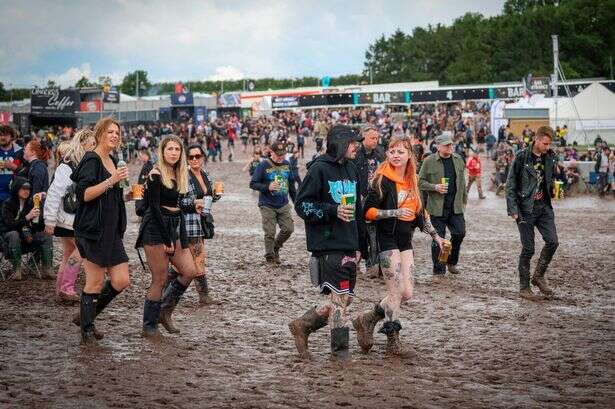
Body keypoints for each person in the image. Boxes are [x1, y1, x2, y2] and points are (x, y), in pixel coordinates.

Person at [354, 135, 443, 356]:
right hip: (387, 239)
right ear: (387, 154)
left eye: (400, 151)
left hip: (406, 240)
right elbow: (367, 212)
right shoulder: (381, 179)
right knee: (394, 293)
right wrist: (393, 212)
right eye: (392, 151)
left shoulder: (413, 179)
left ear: (409, 155)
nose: (395, 155)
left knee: (407, 292)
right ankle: (393, 341)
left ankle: (368, 318)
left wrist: (436, 236)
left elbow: (420, 212)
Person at [289, 124, 364, 360]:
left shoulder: (352, 168)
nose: (357, 147)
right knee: (340, 299)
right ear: (340, 144)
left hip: (350, 242)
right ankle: (340, 353)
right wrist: (332, 210)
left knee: (344, 298)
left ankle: (303, 325)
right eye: (353, 143)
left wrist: (362, 245)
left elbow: (358, 210)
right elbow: (302, 205)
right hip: (328, 244)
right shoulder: (318, 170)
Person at [71, 117, 131, 345]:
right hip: (92, 231)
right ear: (99, 134)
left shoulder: (114, 160)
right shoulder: (91, 160)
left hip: (111, 231)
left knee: (121, 280)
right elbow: (84, 194)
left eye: (117, 132)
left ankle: (87, 316)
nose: (115, 136)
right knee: (95, 282)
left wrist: (128, 195)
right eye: (110, 132)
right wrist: (112, 180)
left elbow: (111, 194)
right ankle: (86, 330)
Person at [135, 135, 199, 338]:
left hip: (175, 224)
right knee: (159, 279)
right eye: (169, 149)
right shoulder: (155, 174)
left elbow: (177, 204)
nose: (173, 152)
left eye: (177, 149)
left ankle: (164, 311)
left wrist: (193, 206)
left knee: (190, 271)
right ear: (162, 152)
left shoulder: (179, 173)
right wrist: (167, 240)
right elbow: (153, 208)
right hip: (156, 228)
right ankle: (149, 325)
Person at [506, 126, 559, 300]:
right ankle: (524, 287)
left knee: (553, 242)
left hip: (543, 206)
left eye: (549, 144)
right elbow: (511, 184)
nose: (547, 147)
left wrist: (554, 188)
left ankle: (538, 276)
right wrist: (513, 210)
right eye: (545, 143)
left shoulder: (550, 156)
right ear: (536, 139)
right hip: (525, 208)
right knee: (528, 248)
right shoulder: (522, 156)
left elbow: (549, 178)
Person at [44, 129, 96, 303]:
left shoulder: (80, 163)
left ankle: (61, 289)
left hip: (72, 218)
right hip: (69, 219)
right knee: (81, 250)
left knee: (67, 254)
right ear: (81, 143)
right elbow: (54, 193)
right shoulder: (68, 165)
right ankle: (67, 288)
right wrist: (49, 220)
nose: (93, 147)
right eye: (91, 143)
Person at [168, 144, 222, 309]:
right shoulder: (184, 176)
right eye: (190, 157)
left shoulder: (205, 174)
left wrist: (216, 196)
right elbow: (178, 202)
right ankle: (203, 296)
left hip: (201, 223)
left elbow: (209, 197)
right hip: (188, 223)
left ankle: (163, 289)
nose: (194, 160)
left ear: (203, 157)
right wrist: (194, 203)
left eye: (197, 156)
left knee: (185, 262)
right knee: (197, 258)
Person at [418, 132, 467, 275]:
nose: (450, 147)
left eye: (451, 144)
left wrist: (464, 201)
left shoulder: (458, 159)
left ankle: (451, 261)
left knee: (459, 233)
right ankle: (439, 268)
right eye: (446, 145)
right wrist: (435, 187)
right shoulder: (429, 161)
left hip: (455, 206)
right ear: (438, 147)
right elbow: (420, 182)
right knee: (438, 238)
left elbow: (462, 183)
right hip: (436, 207)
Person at [249, 140, 296, 264]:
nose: (281, 157)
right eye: (278, 155)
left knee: (289, 229)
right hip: (267, 204)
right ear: (271, 152)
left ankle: (276, 247)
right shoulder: (263, 165)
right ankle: (270, 257)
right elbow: (253, 183)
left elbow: (291, 185)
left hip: (283, 204)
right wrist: (267, 187)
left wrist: (296, 202)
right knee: (270, 232)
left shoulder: (287, 164)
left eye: (283, 155)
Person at [0, 177, 52, 280]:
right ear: (16, 188)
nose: (26, 191)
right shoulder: (7, 204)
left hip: (25, 238)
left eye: (28, 189)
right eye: (23, 188)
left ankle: (47, 270)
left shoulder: (30, 203)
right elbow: (9, 225)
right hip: (6, 240)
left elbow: (37, 227)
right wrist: (27, 217)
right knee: (14, 234)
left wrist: (38, 215)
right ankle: (17, 271)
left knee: (46, 236)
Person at [352, 124, 385, 278]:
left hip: (376, 197)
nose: (375, 141)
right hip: (359, 198)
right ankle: (357, 262)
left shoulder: (380, 153)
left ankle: (373, 266)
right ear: (363, 138)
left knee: (375, 233)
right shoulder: (355, 155)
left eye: (377, 138)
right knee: (360, 233)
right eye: (372, 138)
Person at [0, 125, 22, 203]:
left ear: (12, 137)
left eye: (5, 135)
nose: (2, 137)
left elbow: (27, 172)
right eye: (0, 135)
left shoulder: (20, 152)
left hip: (13, 196)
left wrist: (14, 167)